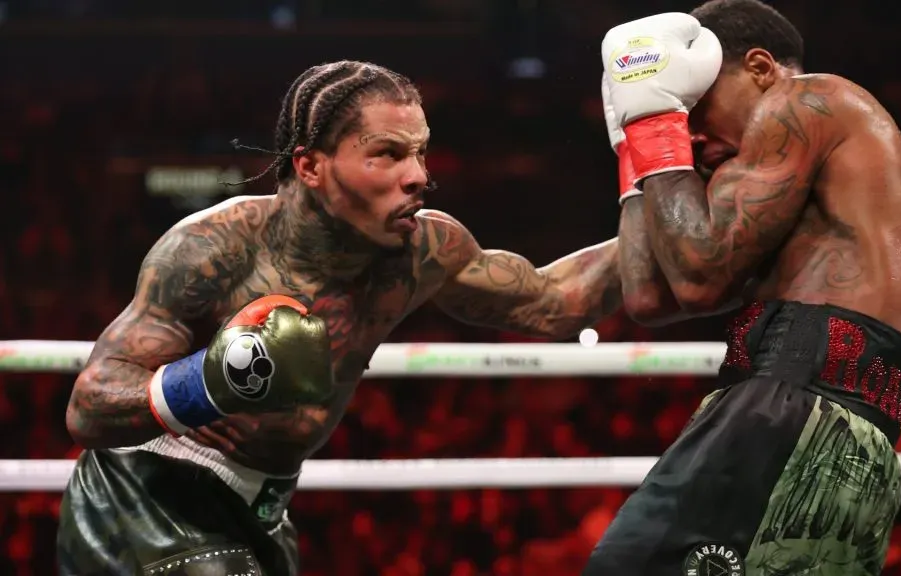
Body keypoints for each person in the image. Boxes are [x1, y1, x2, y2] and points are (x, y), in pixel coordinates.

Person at [57, 60, 622, 575]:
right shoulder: (214, 248)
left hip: (262, 504)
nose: (419, 175)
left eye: (420, 153)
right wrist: (213, 381)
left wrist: (656, 166)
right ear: (310, 166)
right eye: (388, 153)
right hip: (147, 493)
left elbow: (556, 302)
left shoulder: (425, 252)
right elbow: (91, 405)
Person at [591, 1, 901, 575]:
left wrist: (656, 124)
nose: (693, 133)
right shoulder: (792, 198)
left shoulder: (805, 100)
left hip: (789, 409)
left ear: (759, 68)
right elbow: (650, 296)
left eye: (696, 106)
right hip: (846, 435)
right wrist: (638, 151)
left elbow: (700, 280)